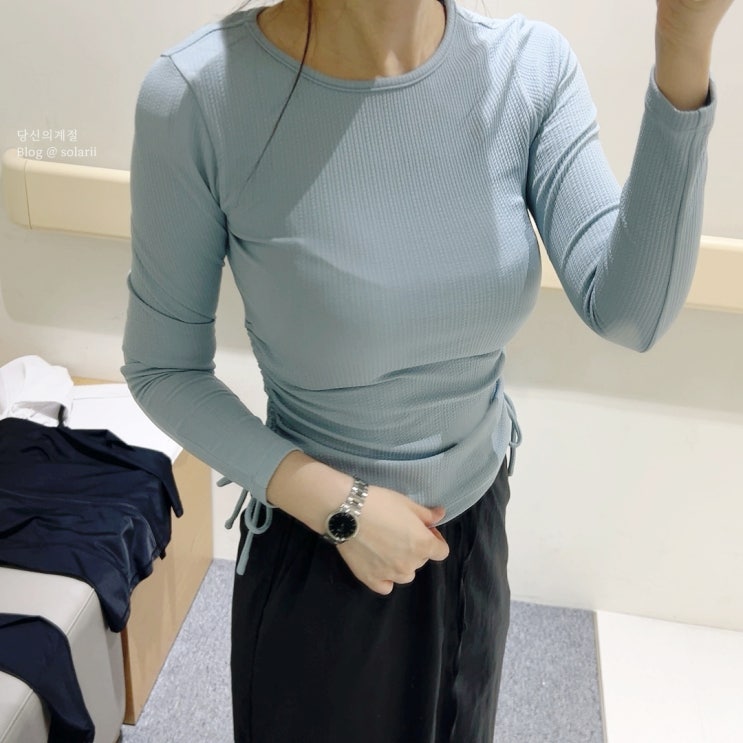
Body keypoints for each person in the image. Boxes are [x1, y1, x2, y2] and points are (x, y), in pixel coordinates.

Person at [121, 0, 734, 740]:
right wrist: (342, 507)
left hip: (473, 530)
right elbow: (162, 367)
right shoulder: (199, 94)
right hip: (320, 547)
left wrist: (682, 44)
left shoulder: (527, 69)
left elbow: (632, 312)